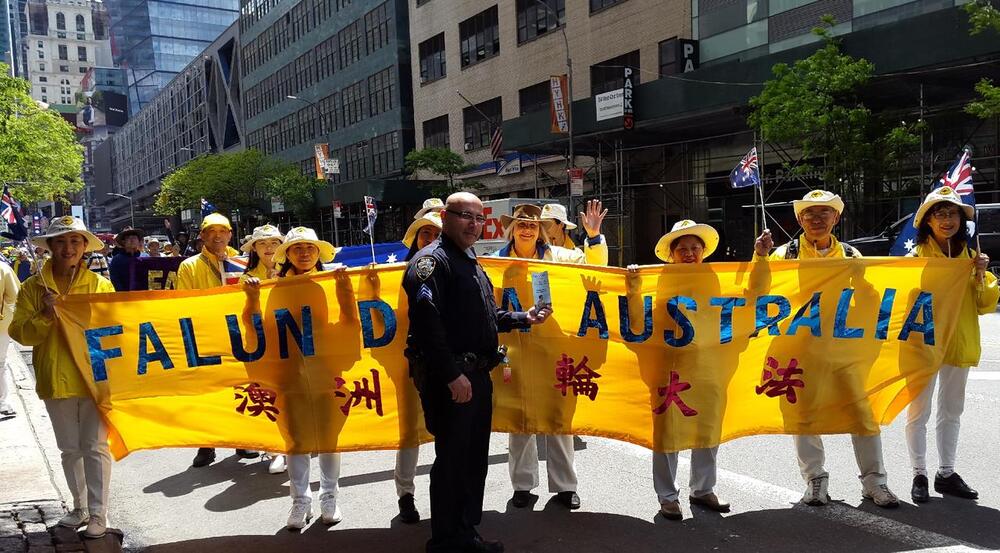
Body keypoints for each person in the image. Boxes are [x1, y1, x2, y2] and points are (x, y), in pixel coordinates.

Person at [404, 192, 551, 553]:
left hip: (476, 376)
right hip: (454, 380)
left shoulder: (469, 260)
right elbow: (428, 326)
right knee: (453, 461)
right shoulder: (432, 263)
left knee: (471, 460)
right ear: (445, 217)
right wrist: (453, 376)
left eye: (478, 217)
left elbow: (486, 318)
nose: (473, 223)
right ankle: (447, 540)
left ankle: (465, 532)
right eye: (464, 216)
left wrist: (523, 318)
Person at [754, 189, 898, 508]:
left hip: (843, 350)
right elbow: (758, 291)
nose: (817, 219)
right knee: (804, 417)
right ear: (799, 219)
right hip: (797, 349)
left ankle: (875, 482)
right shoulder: (783, 255)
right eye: (810, 214)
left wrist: (862, 284)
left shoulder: (850, 256)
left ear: (836, 217)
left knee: (862, 414)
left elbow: (872, 300)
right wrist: (760, 257)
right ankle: (815, 480)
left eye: (824, 213)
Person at [495, 200, 607, 511]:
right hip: (513, 350)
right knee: (520, 419)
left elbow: (595, 269)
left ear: (542, 230)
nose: (527, 229)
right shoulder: (493, 263)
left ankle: (565, 486)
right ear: (512, 230)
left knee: (560, 418)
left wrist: (595, 237)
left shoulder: (563, 258)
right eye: (521, 224)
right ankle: (523, 485)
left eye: (533, 224)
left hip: (555, 349)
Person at [9, 216, 115, 539]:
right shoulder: (33, 287)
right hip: (55, 378)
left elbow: (115, 332)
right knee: (70, 448)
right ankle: (79, 506)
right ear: (50, 247)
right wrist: (44, 315)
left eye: (74, 241)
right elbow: (19, 333)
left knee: (95, 446)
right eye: (60, 241)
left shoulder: (99, 286)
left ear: (84, 247)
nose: (68, 248)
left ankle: (98, 513)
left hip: (94, 378)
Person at [629, 220, 730, 520]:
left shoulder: (715, 278)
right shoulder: (658, 279)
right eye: (682, 248)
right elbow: (638, 322)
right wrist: (634, 287)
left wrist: (761, 258)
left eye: (695, 248)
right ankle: (667, 496)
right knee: (667, 432)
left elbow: (752, 298)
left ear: (703, 252)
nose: (689, 253)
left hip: (709, 366)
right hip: (669, 365)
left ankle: (703, 489)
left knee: (708, 429)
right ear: (671, 254)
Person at [903, 186, 998, 503]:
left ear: (961, 219)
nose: (947, 220)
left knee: (951, 411)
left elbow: (985, 305)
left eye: (952, 213)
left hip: (958, 344)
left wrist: (981, 275)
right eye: (939, 214)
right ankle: (919, 473)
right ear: (927, 221)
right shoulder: (913, 260)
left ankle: (946, 472)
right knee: (919, 412)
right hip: (923, 345)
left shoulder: (972, 259)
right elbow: (901, 302)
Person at [244, 226, 342, 530]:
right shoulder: (276, 289)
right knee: (296, 441)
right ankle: (301, 500)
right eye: (297, 248)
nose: (304, 253)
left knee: (329, 440)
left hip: (326, 374)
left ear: (317, 253)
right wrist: (251, 299)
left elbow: (348, 325)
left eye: (310, 248)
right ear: (288, 254)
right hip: (291, 377)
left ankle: (330, 496)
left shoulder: (331, 284)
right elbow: (262, 331)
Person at [176, 213, 257, 467]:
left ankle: (243, 440)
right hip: (205, 336)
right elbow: (183, 304)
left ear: (230, 234)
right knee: (207, 394)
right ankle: (206, 445)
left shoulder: (243, 262)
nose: (218, 235)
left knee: (240, 388)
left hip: (238, 335)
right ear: (202, 236)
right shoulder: (189, 266)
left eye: (223, 230)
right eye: (211, 231)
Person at [391, 209, 445, 525]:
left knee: (446, 432)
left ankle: (446, 496)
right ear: (415, 238)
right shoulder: (396, 271)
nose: (431, 238)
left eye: (437, 232)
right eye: (425, 233)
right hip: (408, 362)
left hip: (444, 363)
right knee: (409, 433)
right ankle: (405, 495)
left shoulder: (453, 265)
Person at [239, 224, 287, 475]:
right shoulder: (245, 279)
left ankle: (295, 444)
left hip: (291, 341)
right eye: (262, 244)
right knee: (269, 395)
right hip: (261, 344)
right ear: (254, 249)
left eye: (274, 243)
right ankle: (276, 449)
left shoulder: (291, 272)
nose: (268, 248)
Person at [540, 203, 609, 266]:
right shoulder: (537, 251)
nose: (543, 228)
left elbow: (594, 267)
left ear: (561, 224)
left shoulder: (574, 254)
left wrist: (594, 237)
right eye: (541, 224)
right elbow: (536, 278)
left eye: (547, 224)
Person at [0, 259, 20, 417]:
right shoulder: (3, 268)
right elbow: (14, 295)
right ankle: (2, 402)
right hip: (1, 324)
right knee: (0, 363)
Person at [109, 227, 143, 291]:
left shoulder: (145, 257)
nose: (132, 240)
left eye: (134, 237)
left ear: (139, 241)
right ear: (123, 242)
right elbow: (115, 280)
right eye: (128, 238)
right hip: (124, 297)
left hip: (143, 296)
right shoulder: (116, 260)